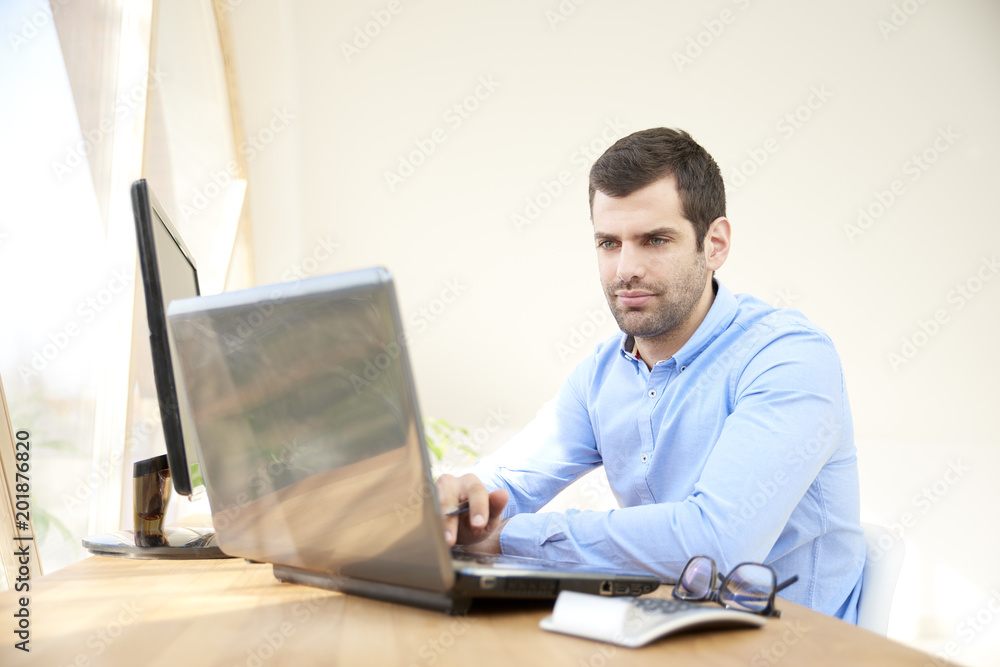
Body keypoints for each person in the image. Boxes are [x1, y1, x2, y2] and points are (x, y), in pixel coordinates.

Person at [435, 127, 865, 621]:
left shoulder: (787, 356)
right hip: (659, 632)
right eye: (608, 243)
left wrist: (503, 539)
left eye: (655, 240)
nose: (625, 269)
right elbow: (501, 487)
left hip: (794, 648)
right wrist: (456, 508)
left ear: (715, 244)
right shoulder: (601, 375)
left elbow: (717, 544)